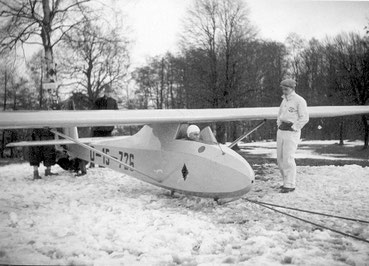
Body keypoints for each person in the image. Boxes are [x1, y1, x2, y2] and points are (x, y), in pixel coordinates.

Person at [276, 79, 309, 193]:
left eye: (287, 88)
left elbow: (304, 118)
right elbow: (280, 114)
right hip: (281, 131)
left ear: (292, 88)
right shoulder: (284, 100)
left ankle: (290, 184)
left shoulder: (299, 101)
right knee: (280, 158)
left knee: (288, 158)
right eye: (283, 88)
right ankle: (285, 182)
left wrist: (294, 127)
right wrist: (279, 124)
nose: (284, 90)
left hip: (291, 132)